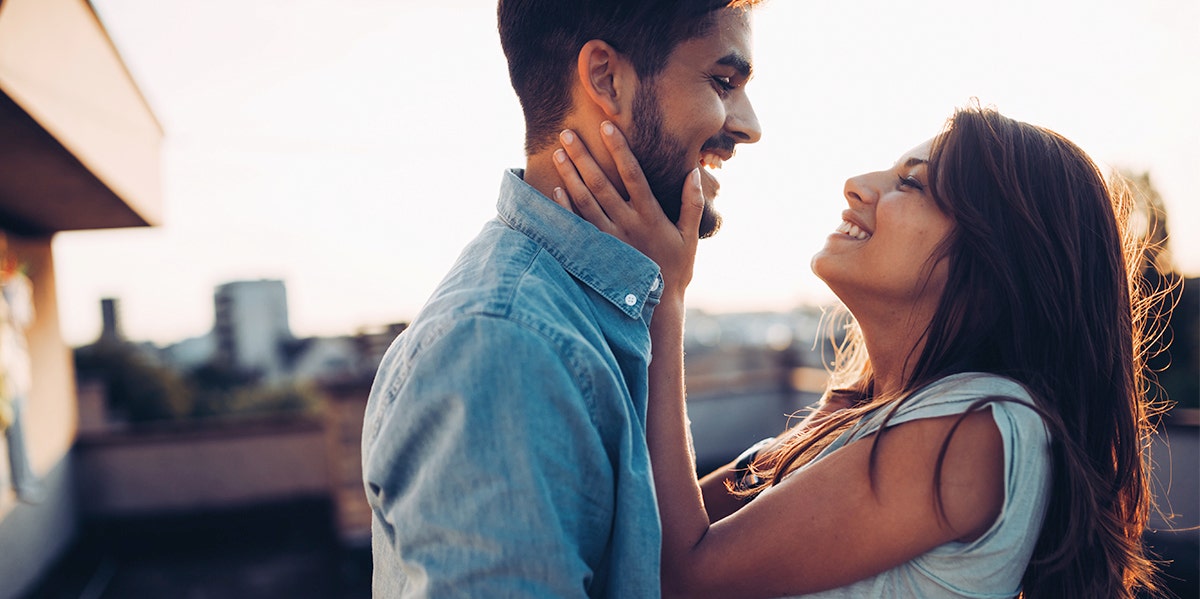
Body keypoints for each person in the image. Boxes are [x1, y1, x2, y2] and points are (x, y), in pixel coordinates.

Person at [550, 104, 1162, 598]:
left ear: (996, 264)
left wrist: (664, 295)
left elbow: (680, 575)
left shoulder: (981, 430)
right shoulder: (866, 414)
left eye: (912, 184)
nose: (858, 185)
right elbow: (654, 519)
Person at [361, 1, 763, 596]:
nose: (750, 123)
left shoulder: (583, 312)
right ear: (605, 77)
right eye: (723, 83)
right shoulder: (503, 346)